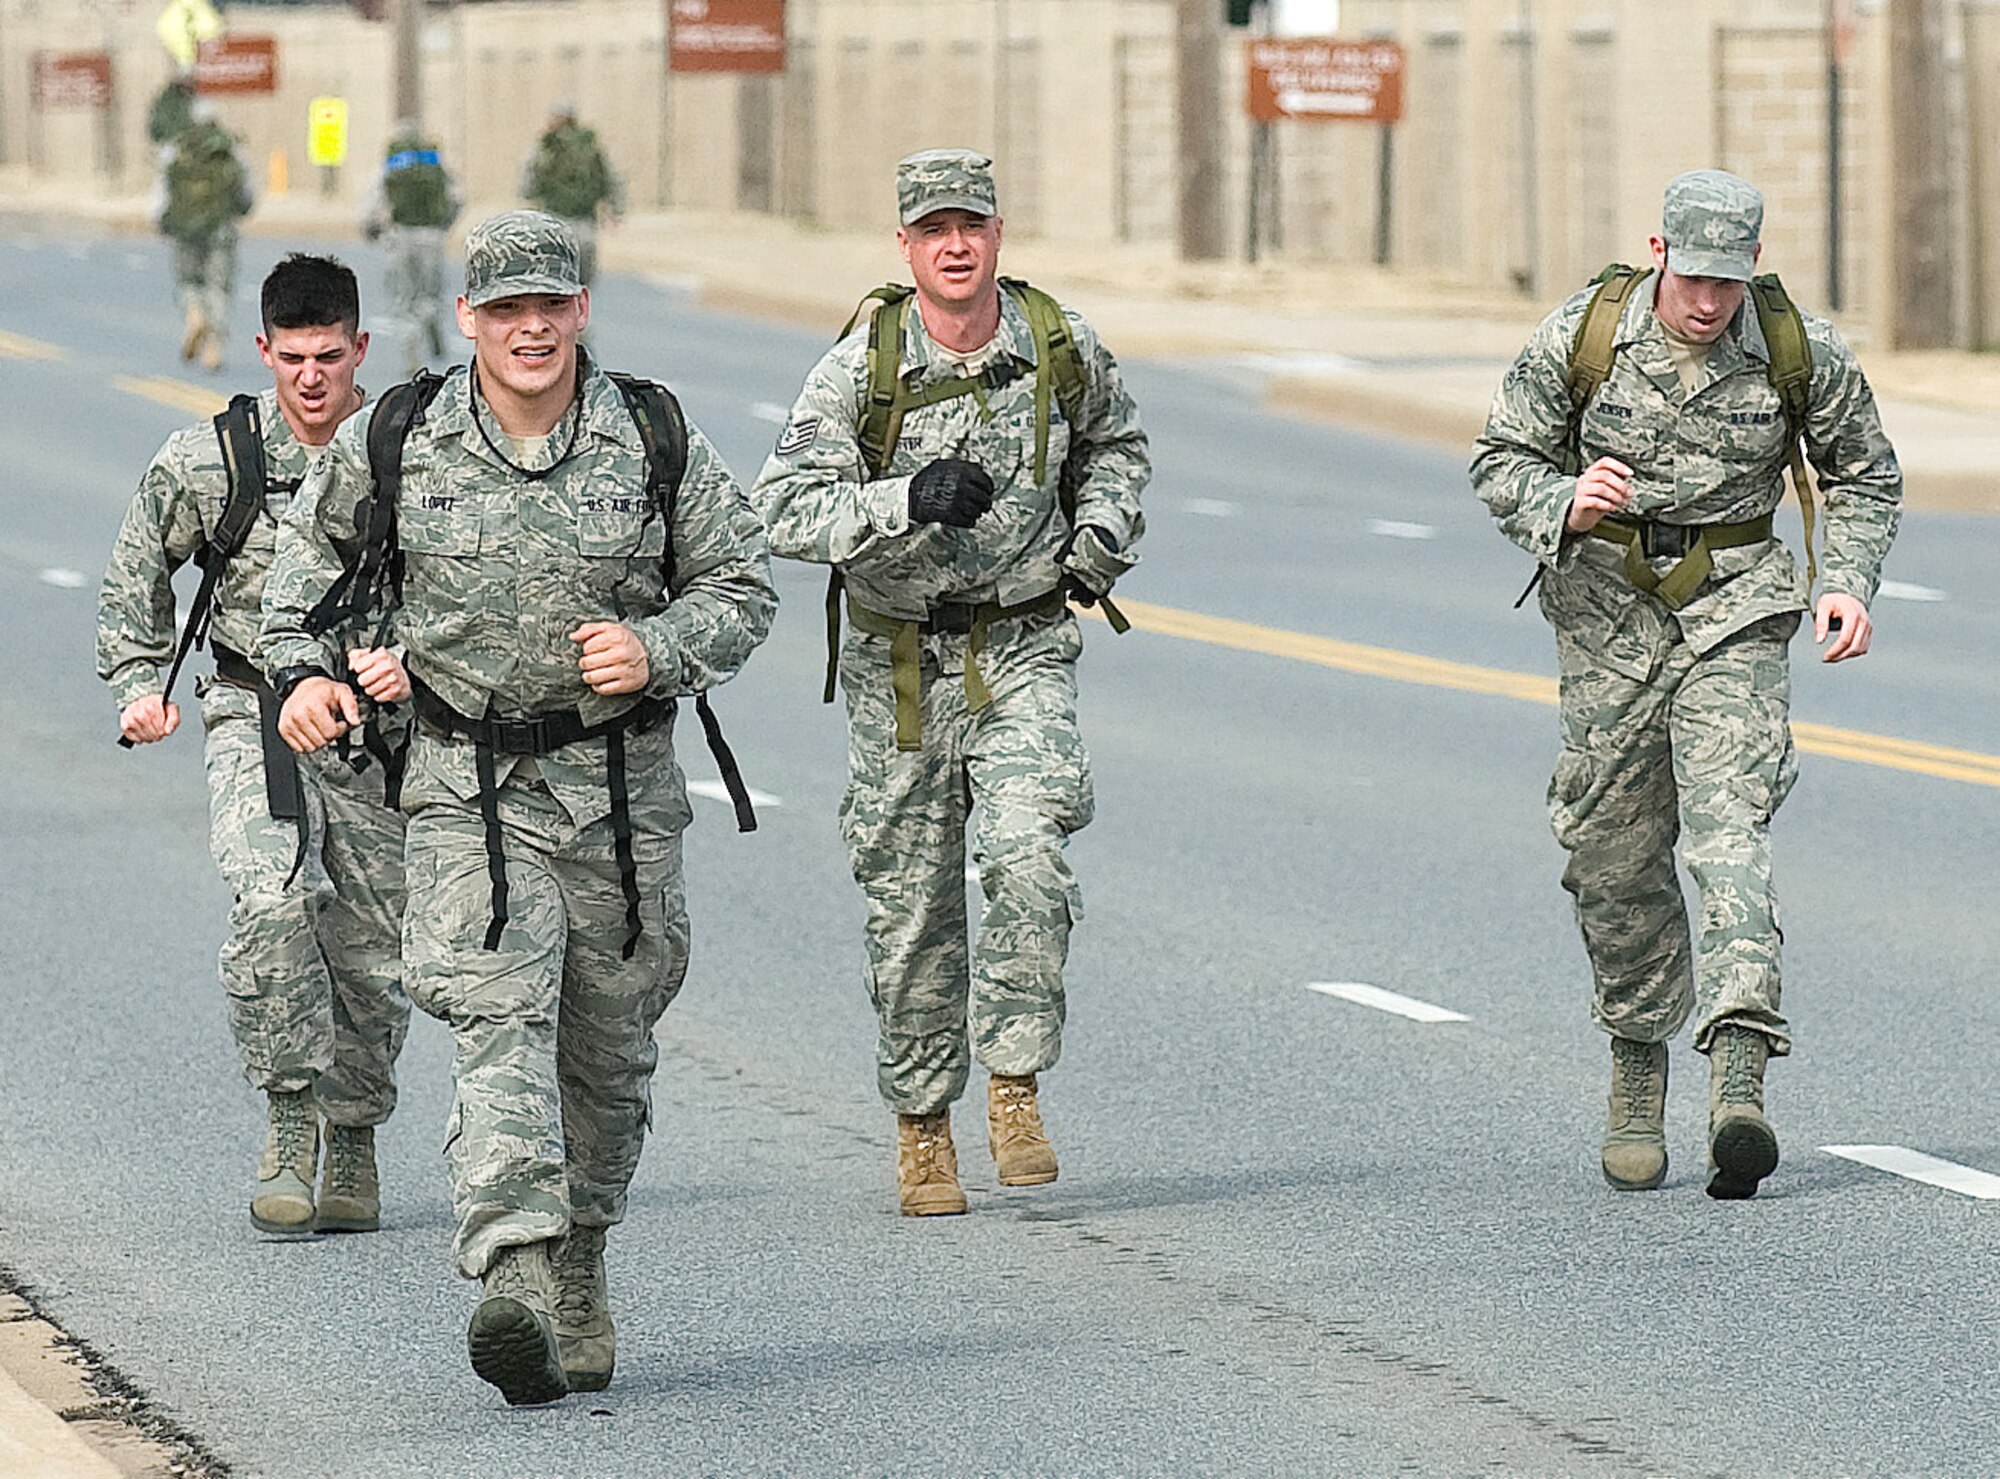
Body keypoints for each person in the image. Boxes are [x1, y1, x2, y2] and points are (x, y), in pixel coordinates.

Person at [261, 211, 775, 1405]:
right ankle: (517, 1272)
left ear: (581, 312)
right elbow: (297, 588)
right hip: (464, 789)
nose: (530, 328)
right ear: (469, 322)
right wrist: (306, 681)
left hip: (620, 794)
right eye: (506, 311)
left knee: (607, 1050)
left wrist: (659, 648)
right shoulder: (400, 436)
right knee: (497, 1024)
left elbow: (741, 586)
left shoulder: (650, 434)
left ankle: (583, 1257)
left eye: (550, 306)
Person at [1469, 169, 1901, 1201]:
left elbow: (1863, 472)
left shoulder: (1798, 348)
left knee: (1727, 828)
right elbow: (1499, 459)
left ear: (1750, 265)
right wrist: (1565, 499)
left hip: (1736, 607)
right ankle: (1634, 1061)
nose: (1706, 304)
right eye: (1690, 278)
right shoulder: (1582, 335)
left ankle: (1739, 1071)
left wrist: (1842, 583)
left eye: (1726, 282)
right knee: (1608, 856)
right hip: (1606, 614)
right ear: (1657, 254)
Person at [753, 149, 1150, 1218]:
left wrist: (1099, 538)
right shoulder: (858, 366)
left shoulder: (1054, 342)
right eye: (933, 230)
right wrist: (903, 500)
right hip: (898, 667)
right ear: (905, 247)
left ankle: (1013, 1081)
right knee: (911, 906)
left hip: (1021, 647)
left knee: (1026, 851)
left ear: (996, 232)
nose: (955, 245)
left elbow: (1117, 447)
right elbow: (780, 511)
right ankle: (922, 1122)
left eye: (969, 224)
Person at [97, 255, 412, 1238]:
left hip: (378, 728)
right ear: (265, 351)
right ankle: (288, 1117)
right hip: (252, 712)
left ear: (361, 349)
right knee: (275, 902)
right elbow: (135, 573)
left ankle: (352, 1130)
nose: (311, 376)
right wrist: (139, 684)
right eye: (293, 357)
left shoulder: (408, 453)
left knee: (369, 948)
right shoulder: (213, 460)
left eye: (330, 355)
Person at [156, 100, 253, 372]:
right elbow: (245, 193)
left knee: (188, 281)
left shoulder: (174, 149)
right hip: (221, 229)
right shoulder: (229, 149)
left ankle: (195, 314)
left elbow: (162, 193)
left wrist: (164, 222)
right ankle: (214, 349)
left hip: (184, 230)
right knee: (219, 287)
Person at [363, 119, 462, 378]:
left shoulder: (394, 165)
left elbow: (375, 199)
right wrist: (443, 226)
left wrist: (371, 228)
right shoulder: (434, 163)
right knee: (429, 294)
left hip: (400, 236)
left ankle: (412, 356)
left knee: (405, 300)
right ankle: (429, 315)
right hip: (432, 237)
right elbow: (455, 199)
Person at [520, 105, 621, 288]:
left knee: (554, 268)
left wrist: (528, 198)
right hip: (571, 215)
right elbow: (610, 178)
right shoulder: (577, 145)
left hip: (563, 214)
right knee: (578, 269)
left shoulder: (550, 145)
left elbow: (530, 176)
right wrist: (615, 208)